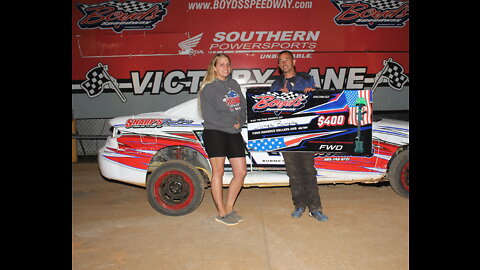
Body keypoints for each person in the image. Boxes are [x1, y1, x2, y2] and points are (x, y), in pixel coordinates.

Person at [270, 50, 328, 222]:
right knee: (293, 173)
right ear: (279, 65)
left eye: (286, 59)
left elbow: (318, 102)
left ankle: (315, 208)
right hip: (286, 134)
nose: (284, 63)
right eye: (280, 61)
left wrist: (313, 92)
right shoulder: (275, 84)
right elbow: (271, 112)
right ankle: (299, 205)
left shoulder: (306, 79)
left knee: (309, 171)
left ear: (293, 61)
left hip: (305, 132)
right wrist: (278, 97)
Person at [198, 53, 247, 226]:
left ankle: (229, 207)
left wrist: (240, 120)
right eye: (221, 65)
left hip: (234, 133)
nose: (225, 68)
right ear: (214, 67)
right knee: (217, 172)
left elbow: (242, 107)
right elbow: (209, 116)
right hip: (215, 132)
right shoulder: (208, 88)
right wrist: (231, 122)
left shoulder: (234, 84)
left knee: (240, 172)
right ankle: (221, 212)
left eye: (228, 64)